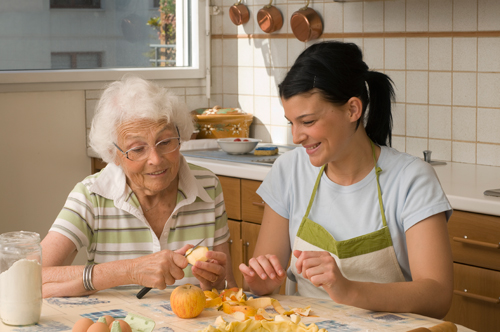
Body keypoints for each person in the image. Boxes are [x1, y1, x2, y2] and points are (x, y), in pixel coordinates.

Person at [239, 41, 454, 319]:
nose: (296, 137)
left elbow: (437, 295)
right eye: (291, 122)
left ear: (352, 110)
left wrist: (348, 290)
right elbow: (260, 283)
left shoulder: (411, 179)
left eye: (307, 121)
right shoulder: (289, 170)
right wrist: (260, 283)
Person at [41, 76, 236, 298]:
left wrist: (218, 282)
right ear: (114, 154)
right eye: (137, 149)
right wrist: (129, 272)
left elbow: (229, 289)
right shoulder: (92, 195)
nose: (155, 159)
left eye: (165, 142)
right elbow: (31, 277)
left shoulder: (208, 187)